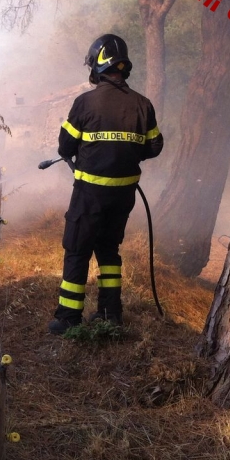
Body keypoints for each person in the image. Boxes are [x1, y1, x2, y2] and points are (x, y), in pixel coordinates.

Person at [49, 33, 163, 335]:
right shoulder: (143, 105)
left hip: (89, 195)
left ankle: (68, 318)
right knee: (109, 250)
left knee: (77, 249)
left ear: (97, 66)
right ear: (122, 67)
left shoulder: (85, 103)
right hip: (123, 196)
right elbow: (154, 147)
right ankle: (110, 313)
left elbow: (65, 147)